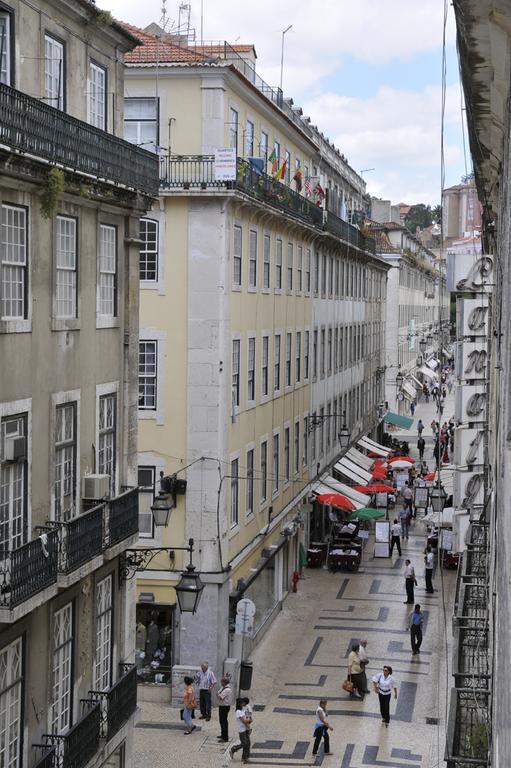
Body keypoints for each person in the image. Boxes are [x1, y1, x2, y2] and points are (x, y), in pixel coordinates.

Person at [230, 697, 252, 763]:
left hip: (246, 729)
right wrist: (249, 720)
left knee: (248, 743)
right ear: (239, 704)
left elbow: (247, 718)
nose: (243, 704)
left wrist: (249, 720)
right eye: (242, 703)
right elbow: (244, 721)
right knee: (244, 743)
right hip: (242, 730)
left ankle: (245, 757)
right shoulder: (238, 712)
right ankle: (233, 749)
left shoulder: (242, 710)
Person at [217, 674, 233, 742]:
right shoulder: (223, 687)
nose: (220, 683)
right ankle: (222, 734)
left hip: (225, 707)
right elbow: (218, 693)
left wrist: (218, 695)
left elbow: (220, 697)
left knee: (224, 722)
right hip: (221, 706)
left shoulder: (227, 689)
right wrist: (218, 695)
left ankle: (225, 738)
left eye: (221, 681)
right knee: (221, 721)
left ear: (224, 682)